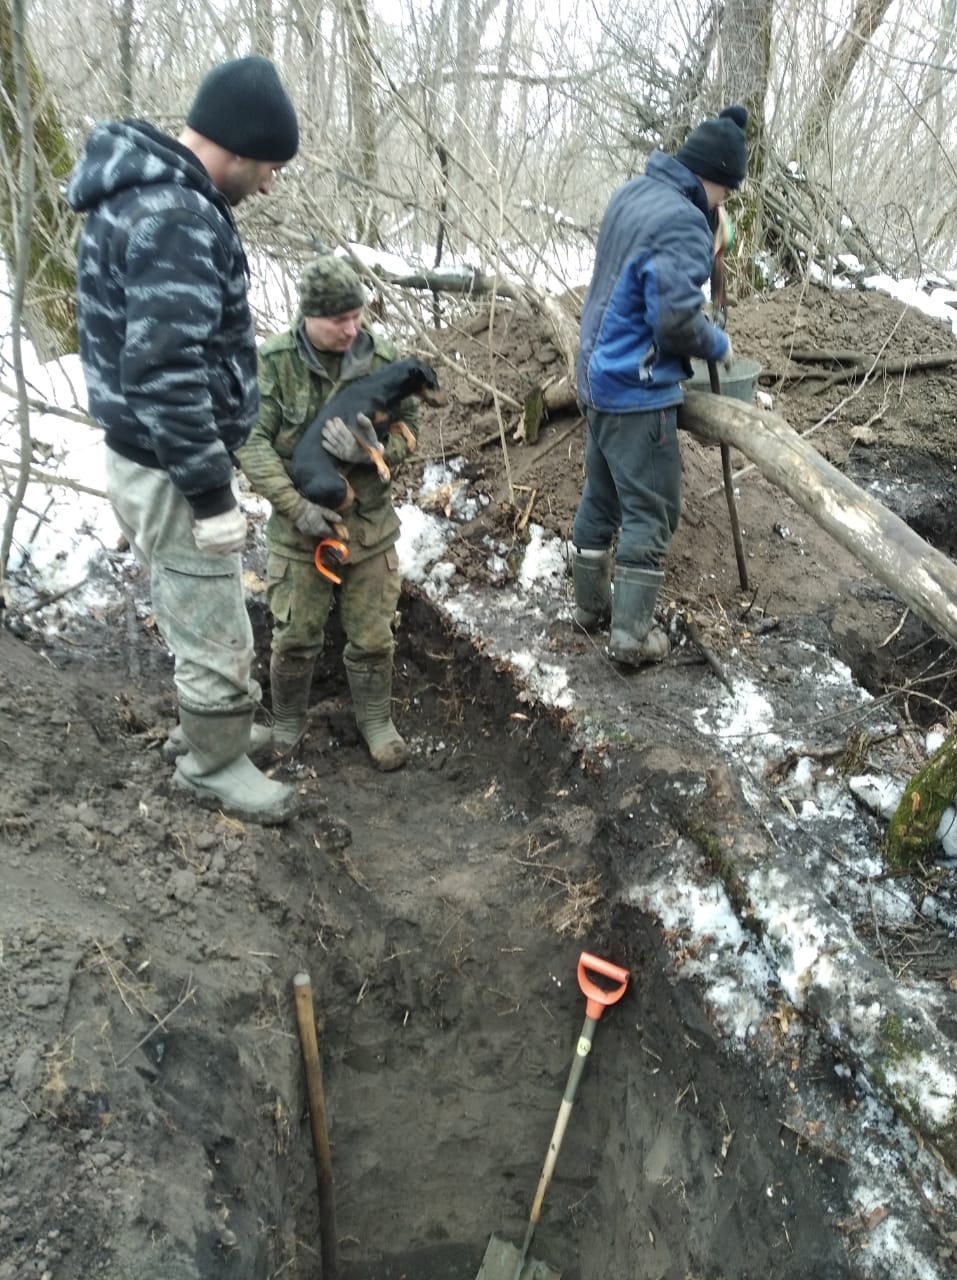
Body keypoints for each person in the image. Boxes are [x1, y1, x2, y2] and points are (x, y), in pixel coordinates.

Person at [66, 56, 303, 824]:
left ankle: (211, 730)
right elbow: (167, 371)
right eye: (267, 169)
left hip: (145, 453)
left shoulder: (137, 193)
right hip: (171, 465)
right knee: (215, 621)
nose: (268, 186)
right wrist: (209, 491)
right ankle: (214, 762)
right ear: (235, 150)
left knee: (190, 603)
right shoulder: (176, 216)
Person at [571, 104, 749, 666]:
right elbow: (673, 321)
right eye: (726, 194)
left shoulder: (631, 193)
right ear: (715, 180)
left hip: (594, 377)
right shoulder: (685, 222)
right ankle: (629, 638)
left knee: (601, 496)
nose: (723, 206)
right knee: (652, 509)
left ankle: (590, 607)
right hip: (636, 388)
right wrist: (716, 342)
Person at [236, 255, 418, 771]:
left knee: (373, 635)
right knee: (295, 635)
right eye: (339, 319)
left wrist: (376, 453)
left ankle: (377, 721)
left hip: (370, 527)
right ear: (307, 316)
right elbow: (250, 441)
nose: (352, 328)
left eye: (357, 315)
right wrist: (296, 508)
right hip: (300, 529)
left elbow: (411, 423)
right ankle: (288, 721)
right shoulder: (272, 363)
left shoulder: (382, 355)